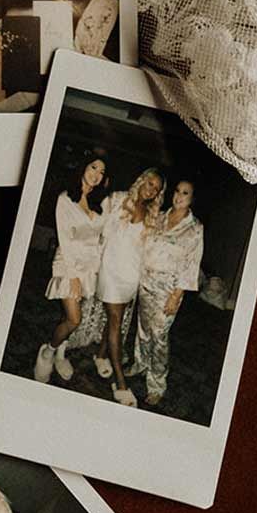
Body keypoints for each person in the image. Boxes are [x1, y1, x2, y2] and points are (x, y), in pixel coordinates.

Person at [33, 151, 107, 385]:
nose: (96, 174)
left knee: (69, 315)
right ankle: (47, 351)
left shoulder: (99, 204)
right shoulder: (65, 199)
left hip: (90, 267)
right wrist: (74, 276)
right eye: (94, 167)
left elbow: (99, 239)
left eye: (102, 171)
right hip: (68, 264)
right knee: (74, 319)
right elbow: (65, 239)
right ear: (84, 167)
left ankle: (62, 354)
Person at [128, 178, 204, 407]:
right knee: (143, 329)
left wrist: (177, 294)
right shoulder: (159, 217)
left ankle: (157, 383)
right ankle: (139, 364)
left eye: (186, 193)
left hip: (168, 289)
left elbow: (192, 264)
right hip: (146, 281)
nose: (179, 196)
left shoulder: (195, 228)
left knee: (159, 337)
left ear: (192, 199)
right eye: (178, 191)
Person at [93, 168, 165, 405]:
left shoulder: (153, 214)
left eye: (156, 188)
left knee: (117, 317)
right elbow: (96, 226)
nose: (151, 189)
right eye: (149, 182)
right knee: (115, 320)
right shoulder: (117, 199)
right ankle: (120, 382)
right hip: (111, 270)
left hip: (130, 275)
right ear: (141, 179)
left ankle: (100, 355)